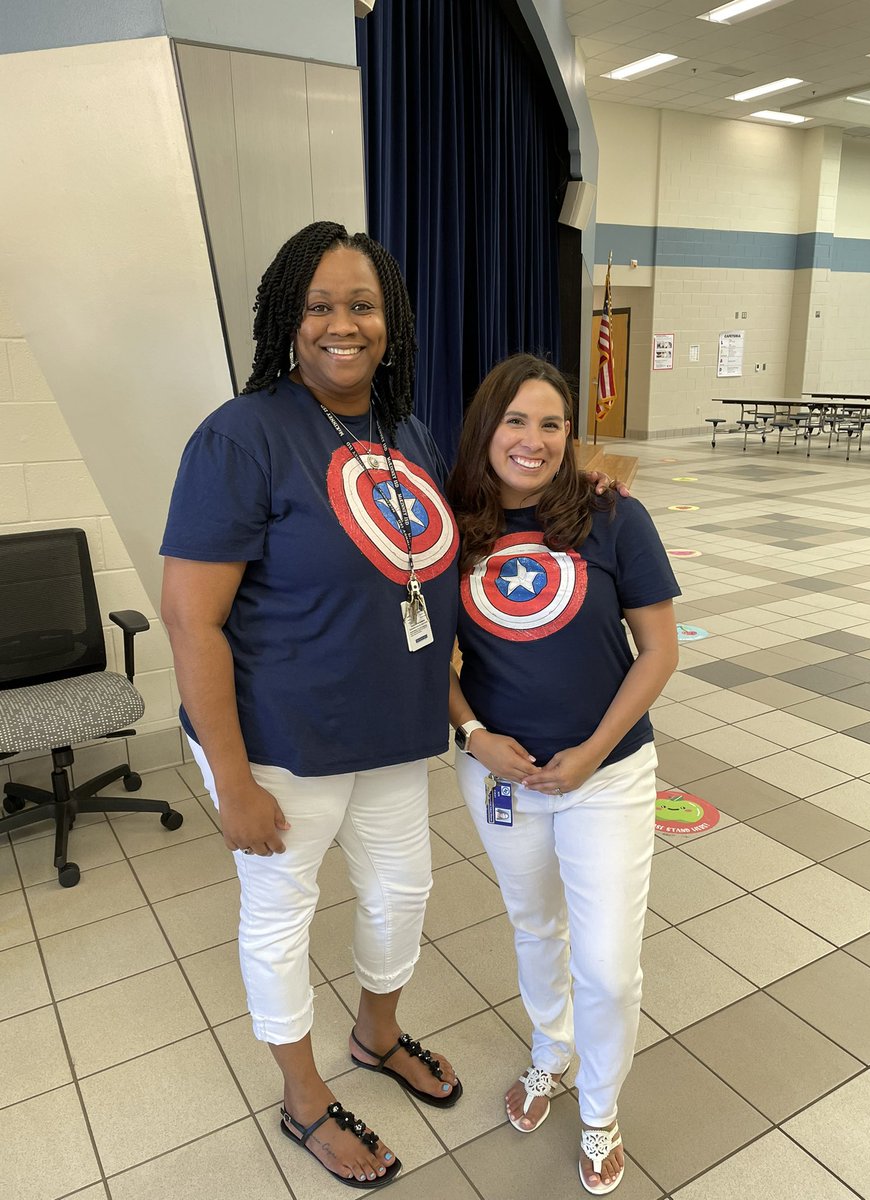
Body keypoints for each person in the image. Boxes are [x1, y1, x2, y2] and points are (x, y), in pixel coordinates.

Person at [160, 221, 464, 1191]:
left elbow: (417, 577)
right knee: (281, 917)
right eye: (320, 305)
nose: (344, 323)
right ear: (287, 321)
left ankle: (376, 1038)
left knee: (402, 891)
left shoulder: (403, 430)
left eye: (363, 305)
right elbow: (190, 621)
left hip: (389, 732)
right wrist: (234, 781)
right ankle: (302, 1098)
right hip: (282, 745)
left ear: (393, 321)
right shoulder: (240, 436)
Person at [446, 354, 680, 1195]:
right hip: (501, 777)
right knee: (534, 926)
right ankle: (552, 1052)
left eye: (551, 424)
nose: (533, 440)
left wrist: (590, 752)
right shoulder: (451, 522)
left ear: (569, 436)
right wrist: (472, 733)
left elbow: (659, 651)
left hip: (608, 773)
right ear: (486, 429)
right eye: (515, 421)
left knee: (610, 963)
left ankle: (601, 1108)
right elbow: (423, 646)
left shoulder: (614, 517)